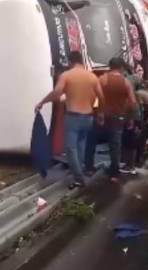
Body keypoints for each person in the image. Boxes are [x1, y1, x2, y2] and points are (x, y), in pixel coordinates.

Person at [35, 51, 103, 188]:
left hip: (73, 117)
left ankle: (79, 178)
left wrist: (42, 102)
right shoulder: (92, 77)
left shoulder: (66, 75)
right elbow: (101, 97)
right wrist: (100, 113)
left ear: (70, 61)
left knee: (71, 149)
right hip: (88, 117)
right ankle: (80, 171)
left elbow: (57, 93)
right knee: (81, 146)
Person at [85, 57, 136, 183]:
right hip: (118, 118)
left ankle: (89, 168)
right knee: (115, 146)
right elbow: (133, 102)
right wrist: (130, 119)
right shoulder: (125, 82)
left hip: (102, 116)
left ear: (110, 66)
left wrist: (99, 112)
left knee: (91, 141)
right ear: (121, 68)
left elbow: (96, 97)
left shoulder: (102, 79)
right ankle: (114, 174)